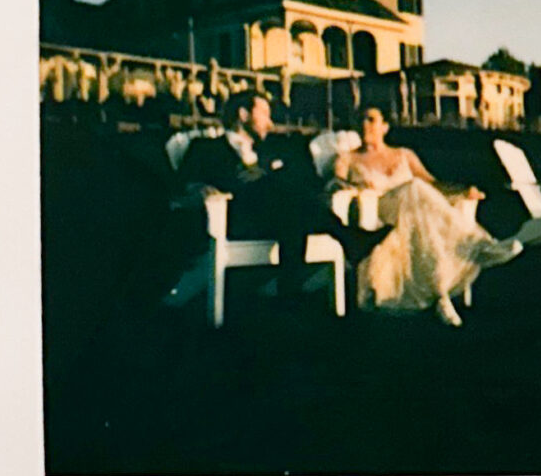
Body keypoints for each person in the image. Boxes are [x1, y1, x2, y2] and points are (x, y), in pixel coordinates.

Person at [178, 90, 387, 299]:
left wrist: (266, 175)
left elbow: (306, 180)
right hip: (236, 219)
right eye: (265, 115)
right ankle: (346, 238)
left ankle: (292, 288)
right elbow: (182, 185)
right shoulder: (206, 147)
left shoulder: (272, 150)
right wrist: (198, 188)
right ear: (243, 115)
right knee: (286, 194)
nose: (270, 123)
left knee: (289, 199)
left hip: (277, 217)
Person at [333, 106, 522, 327]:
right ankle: (480, 245)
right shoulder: (349, 158)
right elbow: (335, 183)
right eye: (362, 119)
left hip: (415, 211)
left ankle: (442, 297)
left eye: (371, 120)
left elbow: (432, 184)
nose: (365, 125)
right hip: (380, 209)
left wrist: (462, 192)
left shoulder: (403, 154)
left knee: (422, 208)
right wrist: (358, 185)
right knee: (413, 187)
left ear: (385, 127)